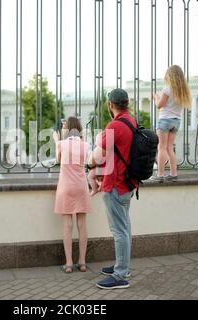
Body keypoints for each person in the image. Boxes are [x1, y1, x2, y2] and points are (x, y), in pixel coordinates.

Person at [88, 88, 137, 289]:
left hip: (116, 184)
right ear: (126, 103)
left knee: (119, 230)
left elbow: (98, 155)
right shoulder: (131, 121)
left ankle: (120, 275)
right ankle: (122, 265)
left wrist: (89, 166)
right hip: (128, 183)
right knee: (124, 227)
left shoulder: (115, 126)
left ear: (110, 105)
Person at [53, 117, 91, 273]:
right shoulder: (85, 145)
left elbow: (57, 160)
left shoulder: (62, 144)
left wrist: (57, 141)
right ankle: (82, 262)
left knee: (67, 225)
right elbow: (88, 161)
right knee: (82, 225)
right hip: (81, 186)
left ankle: (69, 264)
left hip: (66, 187)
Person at [151, 65, 191, 182]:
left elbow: (159, 105)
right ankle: (173, 173)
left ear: (170, 76)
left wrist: (155, 97)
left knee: (161, 147)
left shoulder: (167, 89)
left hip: (165, 120)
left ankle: (160, 174)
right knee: (169, 148)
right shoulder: (182, 91)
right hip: (176, 121)